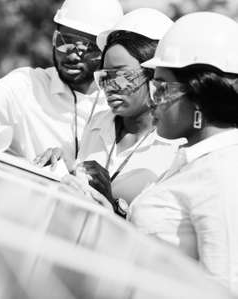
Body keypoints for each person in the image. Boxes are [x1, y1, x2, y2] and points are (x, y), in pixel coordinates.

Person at [102, 12, 238, 291]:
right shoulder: (195, 158)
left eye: (162, 88)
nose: (153, 101)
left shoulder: (223, 173)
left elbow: (225, 286)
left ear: (199, 95)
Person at [0, 0, 123, 164]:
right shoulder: (29, 85)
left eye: (88, 47)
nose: (73, 55)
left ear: (107, 52)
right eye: (64, 41)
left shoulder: (118, 107)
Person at [50, 9, 181, 209]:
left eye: (122, 76)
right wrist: (63, 170)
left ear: (155, 75)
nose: (111, 86)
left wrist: (111, 203)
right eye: (105, 76)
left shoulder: (176, 146)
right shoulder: (98, 123)